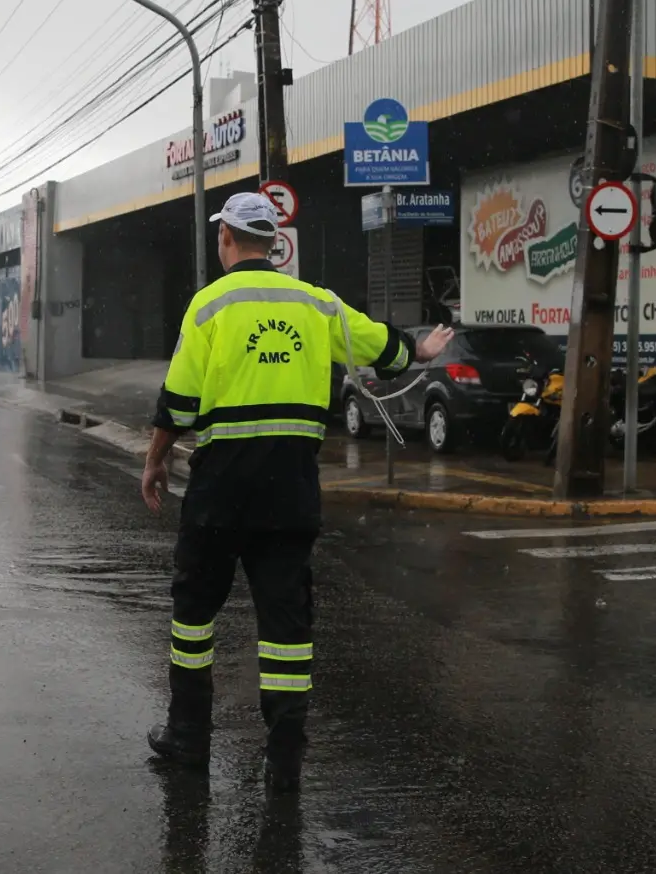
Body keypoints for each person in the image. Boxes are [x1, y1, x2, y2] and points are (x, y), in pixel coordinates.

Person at [140, 191, 453, 790]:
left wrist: (155, 462)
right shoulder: (318, 304)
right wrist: (420, 347)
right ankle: (284, 757)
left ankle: (188, 739)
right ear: (274, 241)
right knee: (285, 626)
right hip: (291, 489)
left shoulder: (209, 307)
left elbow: (176, 405)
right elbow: (385, 348)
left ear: (227, 237)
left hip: (220, 489)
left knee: (194, 614)